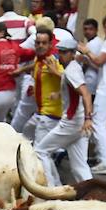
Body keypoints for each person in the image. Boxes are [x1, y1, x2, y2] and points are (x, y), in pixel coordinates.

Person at [34, 35, 93, 184]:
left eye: (65, 52)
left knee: (40, 151)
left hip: (72, 122)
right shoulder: (72, 69)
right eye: (60, 51)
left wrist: (88, 118)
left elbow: (85, 93)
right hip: (77, 122)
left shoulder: (72, 70)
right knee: (80, 167)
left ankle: (50, 188)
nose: (61, 55)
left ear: (73, 54)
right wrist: (59, 93)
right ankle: (93, 194)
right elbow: (71, 85)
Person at [77, 13, 106, 175]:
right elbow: (100, 64)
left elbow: (98, 61)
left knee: (97, 124)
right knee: (99, 124)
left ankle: (105, 162)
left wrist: (85, 51)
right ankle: (100, 158)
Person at [80, 17, 101, 96]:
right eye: (85, 29)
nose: (87, 31)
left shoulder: (93, 44)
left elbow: (88, 63)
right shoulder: (96, 42)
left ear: (96, 30)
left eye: (90, 29)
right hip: (93, 82)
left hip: (91, 81)